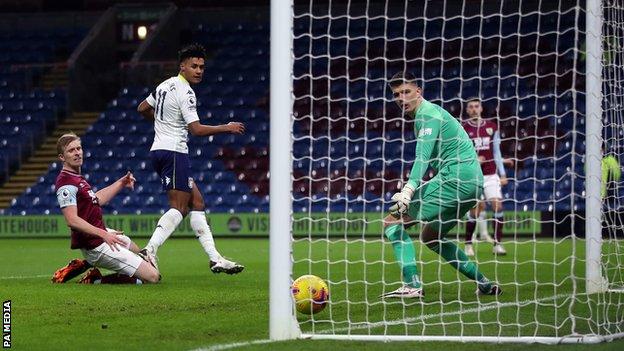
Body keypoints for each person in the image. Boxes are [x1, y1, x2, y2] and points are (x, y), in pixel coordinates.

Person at [380, 72, 500, 299]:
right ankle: (484, 284)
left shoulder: (428, 114)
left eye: (406, 92)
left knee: (391, 222)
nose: (401, 98)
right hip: (473, 185)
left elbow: (422, 157)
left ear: (419, 92)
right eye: (396, 94)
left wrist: (408, 190)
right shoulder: (431, 115)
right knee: (430, 237)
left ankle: (412, 284)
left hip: (456, 179)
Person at [136, 43, 245, 274]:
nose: (198, 70)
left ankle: (215, 258)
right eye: (193, 66)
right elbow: (195, 129)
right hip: (175, 153)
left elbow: (142, 108)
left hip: (160, 151)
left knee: (197, 203)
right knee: (178, 207)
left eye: (202, 67)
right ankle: (149, 250)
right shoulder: (186, 92)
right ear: (182, 66)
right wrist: (226, 127)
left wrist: (162, 123)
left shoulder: (165, 85)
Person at [52, 133, 160, 284]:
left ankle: (86, 265)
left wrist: (121, 183)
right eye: (71, 150)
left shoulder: (77, 178)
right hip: (95, 245)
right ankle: (94, 279)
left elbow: (97, 199)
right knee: (153, 277)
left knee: (132, 246)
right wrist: (104, 234)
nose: (77, 152)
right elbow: (72, 220)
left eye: (79, 148)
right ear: (62, 157)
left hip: (98, 236)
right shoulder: (66, 183)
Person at [461, 98, 510, 256]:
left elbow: (496, 152)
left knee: (498, 206)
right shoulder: (463, 128)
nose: (474, 109)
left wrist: (502, 174)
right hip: (472, 175)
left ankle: (497, 244)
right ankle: (468, 244)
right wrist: (473, 160)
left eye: (477, 106)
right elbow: (458, 153)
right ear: (467, 110)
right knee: (475, 210)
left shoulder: (491, 127)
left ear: (481, 108)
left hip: (490, 174)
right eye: (471, 107)